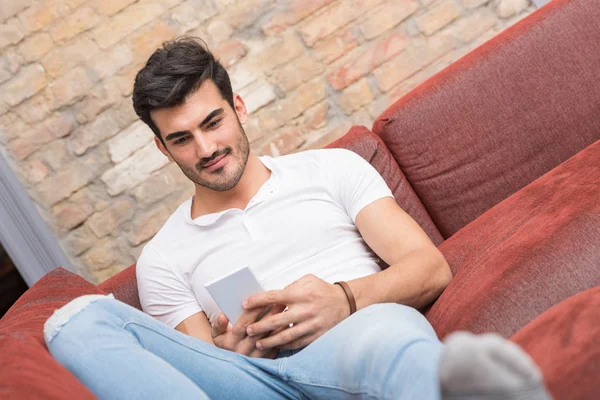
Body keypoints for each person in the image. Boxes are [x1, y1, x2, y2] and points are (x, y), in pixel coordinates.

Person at [44, 37, 550, 400]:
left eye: (213, 122)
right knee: (76, 321)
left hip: (361, 337)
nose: (206, 149)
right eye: (181, 139)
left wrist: (344, 300)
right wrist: (236, 352)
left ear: (238, 107)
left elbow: (429, 268)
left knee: (389, 339)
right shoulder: (161, 260)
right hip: (259, 384)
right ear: (162, 148)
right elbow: (200, 370)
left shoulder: (331, 170)